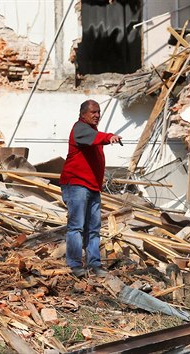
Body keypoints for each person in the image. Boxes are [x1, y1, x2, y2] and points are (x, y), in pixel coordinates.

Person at [60, 100, 122, 278]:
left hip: (92, 187)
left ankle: (94, 264)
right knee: (76, 227)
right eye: (93, 112)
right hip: (77, 185)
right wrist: (109, 137)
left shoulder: (92, 132)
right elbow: (98, 138)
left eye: (98, 112)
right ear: (83, 114)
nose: (96, 115)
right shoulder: (80, 128)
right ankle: (74, 264)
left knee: (94, 228)